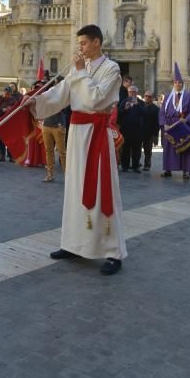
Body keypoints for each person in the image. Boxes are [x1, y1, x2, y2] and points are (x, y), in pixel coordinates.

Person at [28, 24, 127, 275]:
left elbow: (98, 99)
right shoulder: (77, 68)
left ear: (96, 42)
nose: (80, 48)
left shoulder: (112, 69)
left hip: (97, 135)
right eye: (79, 43)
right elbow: (61, 94)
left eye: (83, 43)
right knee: (75, 188)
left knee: (102, 189)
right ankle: (73, 244)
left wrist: (81, 73)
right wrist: (35, 102)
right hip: (76, 133)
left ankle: (113, 251)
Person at [159, 63, 190, 180]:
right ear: (173, 84)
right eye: (176, 82)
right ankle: (168, 170)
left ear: (183, 84)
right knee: (169, 149)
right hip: (169, 126)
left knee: (185, 148)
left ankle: (186, 171)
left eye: (180, 82)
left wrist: (186, 120)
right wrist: (163, 124)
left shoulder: (189, 96)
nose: (178, 84)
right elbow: (161, 112)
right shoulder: (167, 96)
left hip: (183, 125)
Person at [118, 85, 145, 173]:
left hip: (137, 130)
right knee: (125, 148)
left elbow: (144, 113)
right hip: (126, 129)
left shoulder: (141, 102)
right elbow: (119, 113)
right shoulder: (124, 101)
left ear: (137, 93)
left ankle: (135, 166)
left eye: (134, 92)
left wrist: (137, 105)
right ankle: (125, 166)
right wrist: (125, 109)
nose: (132, 93)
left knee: (136, 149)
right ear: (128, 93)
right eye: (130, 92)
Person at [41, 103, 67, 182]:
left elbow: (65, 108)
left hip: (58, 125)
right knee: (48, 151)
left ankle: (67, 176)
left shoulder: (60, 93)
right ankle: (50, 175)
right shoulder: (46, 93)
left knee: (61, 152)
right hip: (46, 124)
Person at [0, 86, 18, 161]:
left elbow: (16, 109)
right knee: (0, 139)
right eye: (6, 94)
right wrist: (2, 109)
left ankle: (11, 156)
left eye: (8, 94)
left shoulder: (13, 100)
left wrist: (10, 109)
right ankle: (1, 155)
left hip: (9, 122)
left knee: (10, 140)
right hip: (0, 121)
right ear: (4, 92)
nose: (7, 96)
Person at [142, 91, 160, 171]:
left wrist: (155, 134)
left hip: (150, 132)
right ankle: (136, 164)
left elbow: (158, 122)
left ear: (152, 98)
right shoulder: (140, 106)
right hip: (140, 131)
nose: (147, 98)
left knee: (148, 150)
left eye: (149, 96)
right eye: (146, 96)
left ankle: (147, 165)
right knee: (136, 149)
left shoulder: (156, 109)